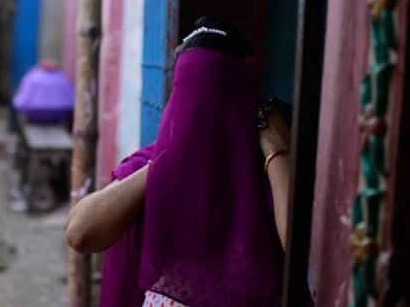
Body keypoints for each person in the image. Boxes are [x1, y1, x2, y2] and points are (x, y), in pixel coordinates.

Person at [65, 16, 294, 306]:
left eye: (216, 95)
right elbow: (80, 234)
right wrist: (171, 162)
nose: (201, 112)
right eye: (189, 97)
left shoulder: (270, 170)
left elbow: (301, 253)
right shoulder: (153, 163)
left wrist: (276, 150)